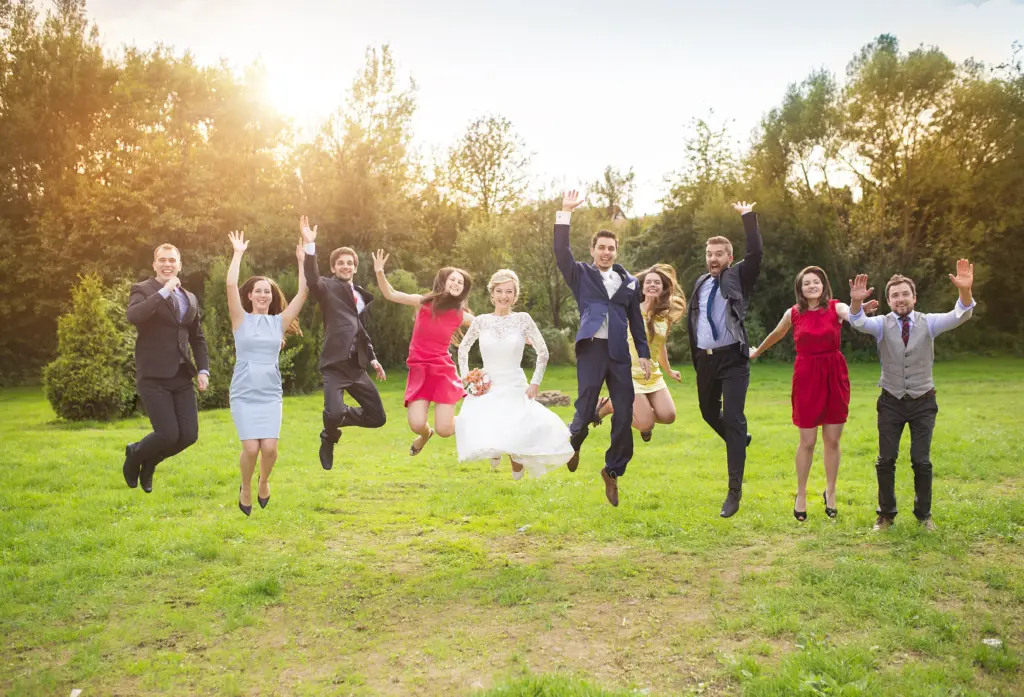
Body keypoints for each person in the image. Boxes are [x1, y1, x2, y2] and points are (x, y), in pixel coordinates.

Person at [848, 259, 976, 531]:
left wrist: (964, 291)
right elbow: (858, 322)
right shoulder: (881, 324)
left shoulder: (928, 323)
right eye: (895, 295)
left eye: (905, 293)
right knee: (886, 459)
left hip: (923, 402)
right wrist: (857, 303)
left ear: (914, 298)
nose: (900, 298)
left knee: (921, 460)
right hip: (891, 402)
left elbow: (960, 314)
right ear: (889, 300)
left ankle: (923, 516)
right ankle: (886, 515)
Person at [554, 190, 651, 507]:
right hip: (592, 349)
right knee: (585, 407)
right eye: (602, 248)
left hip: (619, 355)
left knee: (624, 415)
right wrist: (565, 213)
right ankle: (575, 441)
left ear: (616, 251)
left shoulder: (630, 282)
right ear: (593, 250)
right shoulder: (581, 274)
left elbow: (636, 320)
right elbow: (560, 252)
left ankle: (612, 470)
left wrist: (645, 354)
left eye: (611, 248)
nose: (607, 252)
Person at [749, 266, 863, 521]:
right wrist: (757, 352)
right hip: (807, 377)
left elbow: (855, 316)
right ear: (800, 288)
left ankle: (830, 492)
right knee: (808, 442)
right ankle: (801, 494)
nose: (812, 286)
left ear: (824, 285)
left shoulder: (837, 307)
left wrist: (856, 302)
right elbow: (777, 334)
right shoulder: (794, 313)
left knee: (832, 441)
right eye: (806, 283)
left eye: (816, 282)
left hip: (834, 375)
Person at [456, 269, 574, 478]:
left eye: (508, 291)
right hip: (487, 383)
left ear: (515, 295)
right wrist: (467, 379)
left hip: (515, 382)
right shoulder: (481, 321)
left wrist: (535, 382)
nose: (503, 296)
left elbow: (543, 352)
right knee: (481, 419)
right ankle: (495, 450)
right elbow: (463, 349)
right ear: (492, 294)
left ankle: (516, 459)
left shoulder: (523, 319)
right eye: (499, 291)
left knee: (519, 423)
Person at [226, 230, 308, 516]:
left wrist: (302, 261)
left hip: (270, 393)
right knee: (250, 449)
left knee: (269, 449)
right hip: (244, 392)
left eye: (267, 291)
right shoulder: (240, 319)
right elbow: (230, 282)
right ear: (249, 296)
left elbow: (303, 292)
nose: (263, 294)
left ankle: (264, 480)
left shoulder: (279, 322)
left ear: (271, 298)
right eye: (258, 290)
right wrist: (237, 253)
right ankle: (246, 487)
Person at [687, 201, 761, 519]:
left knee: (732, 416)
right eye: (709, 255)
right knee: (707, 412)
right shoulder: (700, 284)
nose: (713, 259)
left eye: (719, 254)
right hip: (706, 361)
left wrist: (747, 217)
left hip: (733, 359)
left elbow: (756, 253)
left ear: (729, 258)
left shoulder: (736, 277)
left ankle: (733, 493)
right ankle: (738, 437)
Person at [301, 216, 387, 471]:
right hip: (335, 365)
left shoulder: (361, 296)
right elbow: (312, 277)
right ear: (334, 267)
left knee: (377, 418)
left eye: (350, 263)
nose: (346, 266)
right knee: (335, 414)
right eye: (341, 263)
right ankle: (330, 434)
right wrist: (310, 246)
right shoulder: (327, 287)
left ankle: (333, 416)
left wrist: (372, 357)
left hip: (357, 367)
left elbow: (361, 330)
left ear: (356, 267)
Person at [123, 243, 210, 493]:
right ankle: (135, 453)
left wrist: (203, 370)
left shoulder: (189, 298)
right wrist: (163, 292)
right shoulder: (142, 289)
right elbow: (134, 316)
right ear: (154, 265)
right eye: (162, 260)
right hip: (153, 376)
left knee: (189, 436)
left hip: (181, 374)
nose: (167, 264)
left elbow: (198, 338)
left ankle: (149, 462)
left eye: (172, 260)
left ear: (179, 265)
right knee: (167, 434)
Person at [372, 249, 473, 455]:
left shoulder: (460, 315)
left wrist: (521, 333)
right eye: (452, 279)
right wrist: (380, 272)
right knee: (417, 424)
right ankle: (426, 435)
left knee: (445, 429)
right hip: (419, 371)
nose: (456, 283)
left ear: (462, 290)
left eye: (460, 282)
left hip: (442, 372)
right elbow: (390, 293)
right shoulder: (423, 303)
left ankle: (476, 419)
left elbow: (489, 325)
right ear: (444, 281)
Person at [594, 263, 686, 443]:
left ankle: (641, 413)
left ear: (663, 288)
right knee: (645, 424)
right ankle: (611, 405)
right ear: (642, 287)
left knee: (668, 416)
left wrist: (669, 371)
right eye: (649, 282)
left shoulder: (663, 317)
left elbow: (660, 346)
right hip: (630, 375)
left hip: (653, 376)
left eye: (657, 282)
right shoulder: (630, 311)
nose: (652, 285)